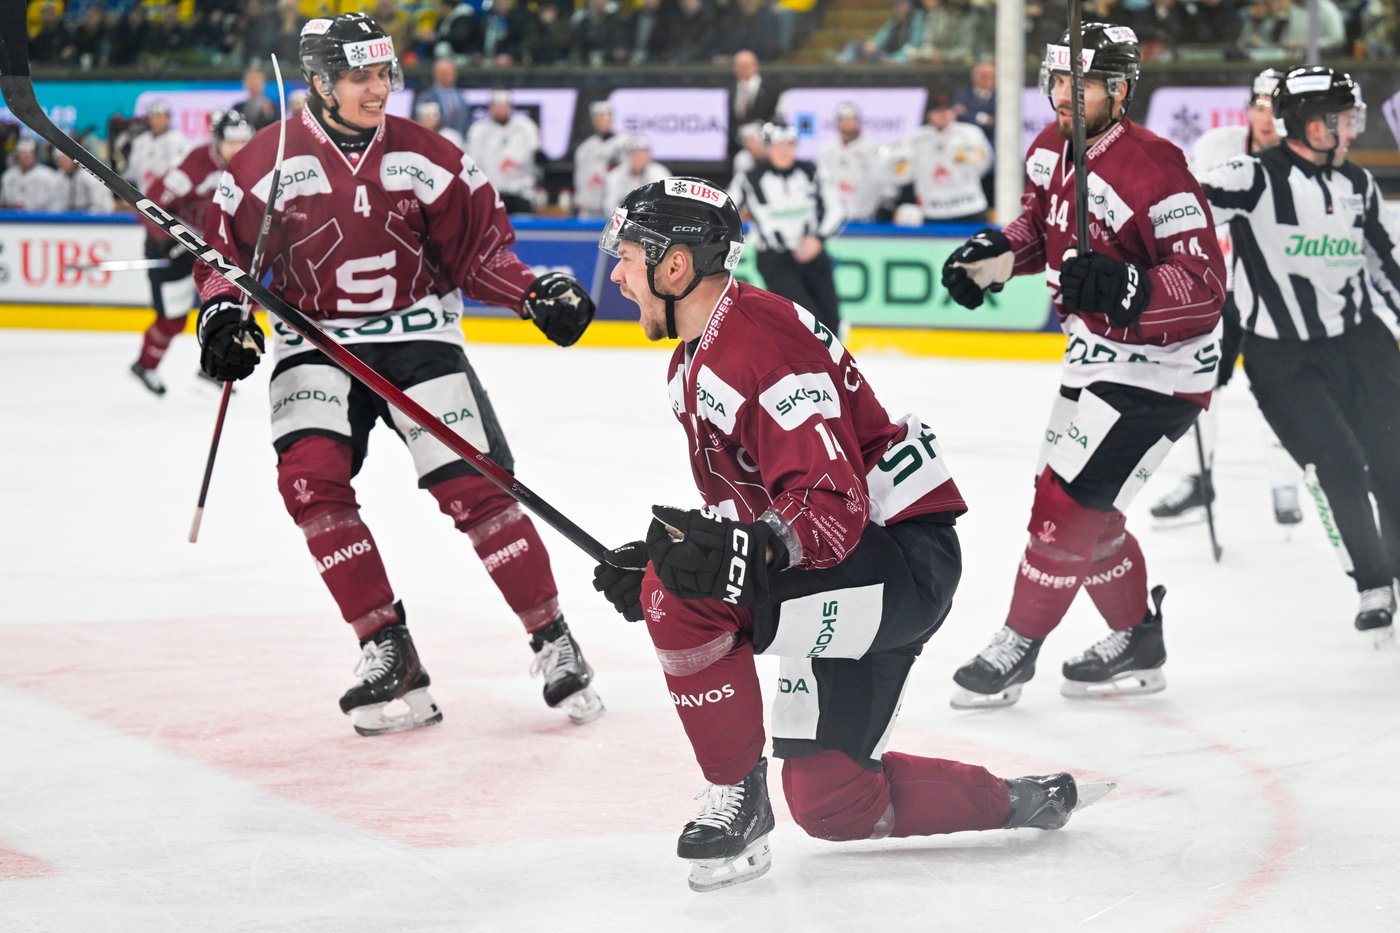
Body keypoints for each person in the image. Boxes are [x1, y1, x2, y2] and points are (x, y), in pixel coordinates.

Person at [590, 177, 1113, 893]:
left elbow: (828, 509)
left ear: (674, 266)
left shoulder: (755, 345)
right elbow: (768, 499)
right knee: (834, 802)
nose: (616, 274)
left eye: (625, 258)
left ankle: (737, 800)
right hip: (865, 554)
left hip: (898, 558)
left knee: (680, 597)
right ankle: (1025, 798)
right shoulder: (701, 351)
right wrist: (671, 554)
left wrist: (707, 569)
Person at [193, 12, 603, 736]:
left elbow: (480, 253)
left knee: (476, 486)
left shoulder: (430, 156)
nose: (378, 89)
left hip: (417, 338)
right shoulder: (263, 164)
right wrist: (224, 318)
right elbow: (221, 258)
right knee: (310, 482)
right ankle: (387, 646)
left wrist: (531, 292)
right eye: (360, 77)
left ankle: (552, 636)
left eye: (385, 74)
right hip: (314, 344)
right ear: (319, 82)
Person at [940, 23, 1226, 709]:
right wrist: (993, 256)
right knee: (1083, 509)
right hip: (1094, 360)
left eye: (1086, 82)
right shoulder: (1048, 150)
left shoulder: (1157, 167)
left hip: (1162, 370)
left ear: (1121, 89)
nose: (1067, 95)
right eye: (1060, 80)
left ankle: (1016, 644)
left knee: (1066, 508)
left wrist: (1133, 290)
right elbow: (1040, 225)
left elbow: (1204, 284)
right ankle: (1136, 638)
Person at [1197, 66, 1400, 644]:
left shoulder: (1357, 184)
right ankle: (1373, 581)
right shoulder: (1252, 176)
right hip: (1281, 359)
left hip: (1362, 346)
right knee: (1337, 463)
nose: (1352, 128)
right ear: (1312, 125)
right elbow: (1176, 212)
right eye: (1344, 118)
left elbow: (1383, 265)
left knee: (1391, 463)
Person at [1149, 67, 1303, 527]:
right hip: (1219, 290)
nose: (1267, 117)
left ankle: (1285, 481)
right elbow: (1187, 203)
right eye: (1260, 106)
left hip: (1277, 294)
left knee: (1283, 389)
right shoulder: (1218, 146)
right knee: (1199, 384)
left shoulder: (1302, 162)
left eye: (1276, 108)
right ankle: (1198, 480)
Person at [128, 111, 254, 397]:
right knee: (173, 319)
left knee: (240, 305)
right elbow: (150, 206)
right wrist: (167, 239)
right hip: (176, 250)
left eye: (244, 141)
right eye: (232, 142)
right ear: (217, 140)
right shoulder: (195, 165)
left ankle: (214, 367)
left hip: (214, 251)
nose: (239, 148)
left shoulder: (251, 165)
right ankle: (145, 365)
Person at [729, 123, 844, 336]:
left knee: (832, 319)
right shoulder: (750, 178)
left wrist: (818, 239)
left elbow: (836, 208)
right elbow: (726, 207)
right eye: (777, 145)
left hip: (813, 253)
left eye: (789, 144)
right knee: (807, 319)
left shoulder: (812, 172)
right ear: (767, 147)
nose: (784, 150)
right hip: (775, 258)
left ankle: (832, 367)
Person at [897, 92, 992, 225]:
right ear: (928, 115)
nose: (944, 114)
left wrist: (967, 158)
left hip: (970, 206)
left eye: (948, 109)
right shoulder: (914, 139)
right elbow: (904, 174)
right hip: (933, 210)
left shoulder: (970, 133)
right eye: (938, 111)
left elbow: (984, 165)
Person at [465, 88, 540, 214]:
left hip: (520, 191)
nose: (501, 109)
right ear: (490, 108)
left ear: (511, 107)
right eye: (497, 106)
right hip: (490, 194)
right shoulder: (478, 130)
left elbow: (533, 151)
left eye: (504, 105)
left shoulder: (525, 127)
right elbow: (472, 162)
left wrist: (515, 161)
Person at [815, 103, 889, 223]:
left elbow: (884, 181)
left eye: (851, 120)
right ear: (837, 123)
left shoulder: (872, 147)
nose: (847, 123)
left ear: (858, 122)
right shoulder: (825, 149)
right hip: (834, 216)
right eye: (844, 120)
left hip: (865, 215)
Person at [572, 101, 626, 219]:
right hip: (590, 207)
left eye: (605, 116)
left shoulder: (624, 144)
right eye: (598, 117)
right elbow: (579, 180)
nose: (602, 120)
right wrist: (580, 203)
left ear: (612, 119)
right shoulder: (585, 148)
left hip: (615, 206)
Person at [122, 100, 190, 192]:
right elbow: (132, 171)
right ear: (149, 119)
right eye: (155, 116)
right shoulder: (140, 141)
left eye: (162, 116)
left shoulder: (178, 140)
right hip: (142, 193)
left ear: (168, 118)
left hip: (169, 194)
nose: (159, 120)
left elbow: (182, 170)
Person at [728, 51, 779, 158]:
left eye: (748, 64)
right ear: (734, 68)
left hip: (764, 148)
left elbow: (775, 117)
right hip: (736, 148)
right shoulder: (729, 88)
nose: (745, 68)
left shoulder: (772, 88)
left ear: (756, 65)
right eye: (741, 65)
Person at [602, 136, 669, 214]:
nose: (639, 158)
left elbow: (665, 203)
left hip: (651, 221)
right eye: (636, 154)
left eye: (643, 153)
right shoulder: (616, 175)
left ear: (648, 156)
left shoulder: (659, 173)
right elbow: (610, 204)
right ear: (629, 156)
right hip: (623, 220)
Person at [1, 138, 63, 212]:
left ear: (35, 155)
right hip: (14, 220)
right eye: (23, 152)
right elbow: (3, 204)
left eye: (30, 152)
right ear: (17, 155)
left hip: (41, 219)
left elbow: (56, 205)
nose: (27, 156)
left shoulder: (49, 176)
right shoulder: (8, 176)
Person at [415, 57, 470, 139]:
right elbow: (424, 124)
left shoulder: (461, 95)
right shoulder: (426, 97)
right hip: (437, 140)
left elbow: (465, 120)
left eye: (450, 72)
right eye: (444, 73)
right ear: (436, 74)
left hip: (461, 141)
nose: (448, 76)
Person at [232, 67, 278, 132]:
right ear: (245, 83)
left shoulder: (272, 107)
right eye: (251, 79)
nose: (254, 82)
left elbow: (276, 128)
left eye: (257, 79)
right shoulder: (238, 107)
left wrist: (269, 114)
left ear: (263, 83)